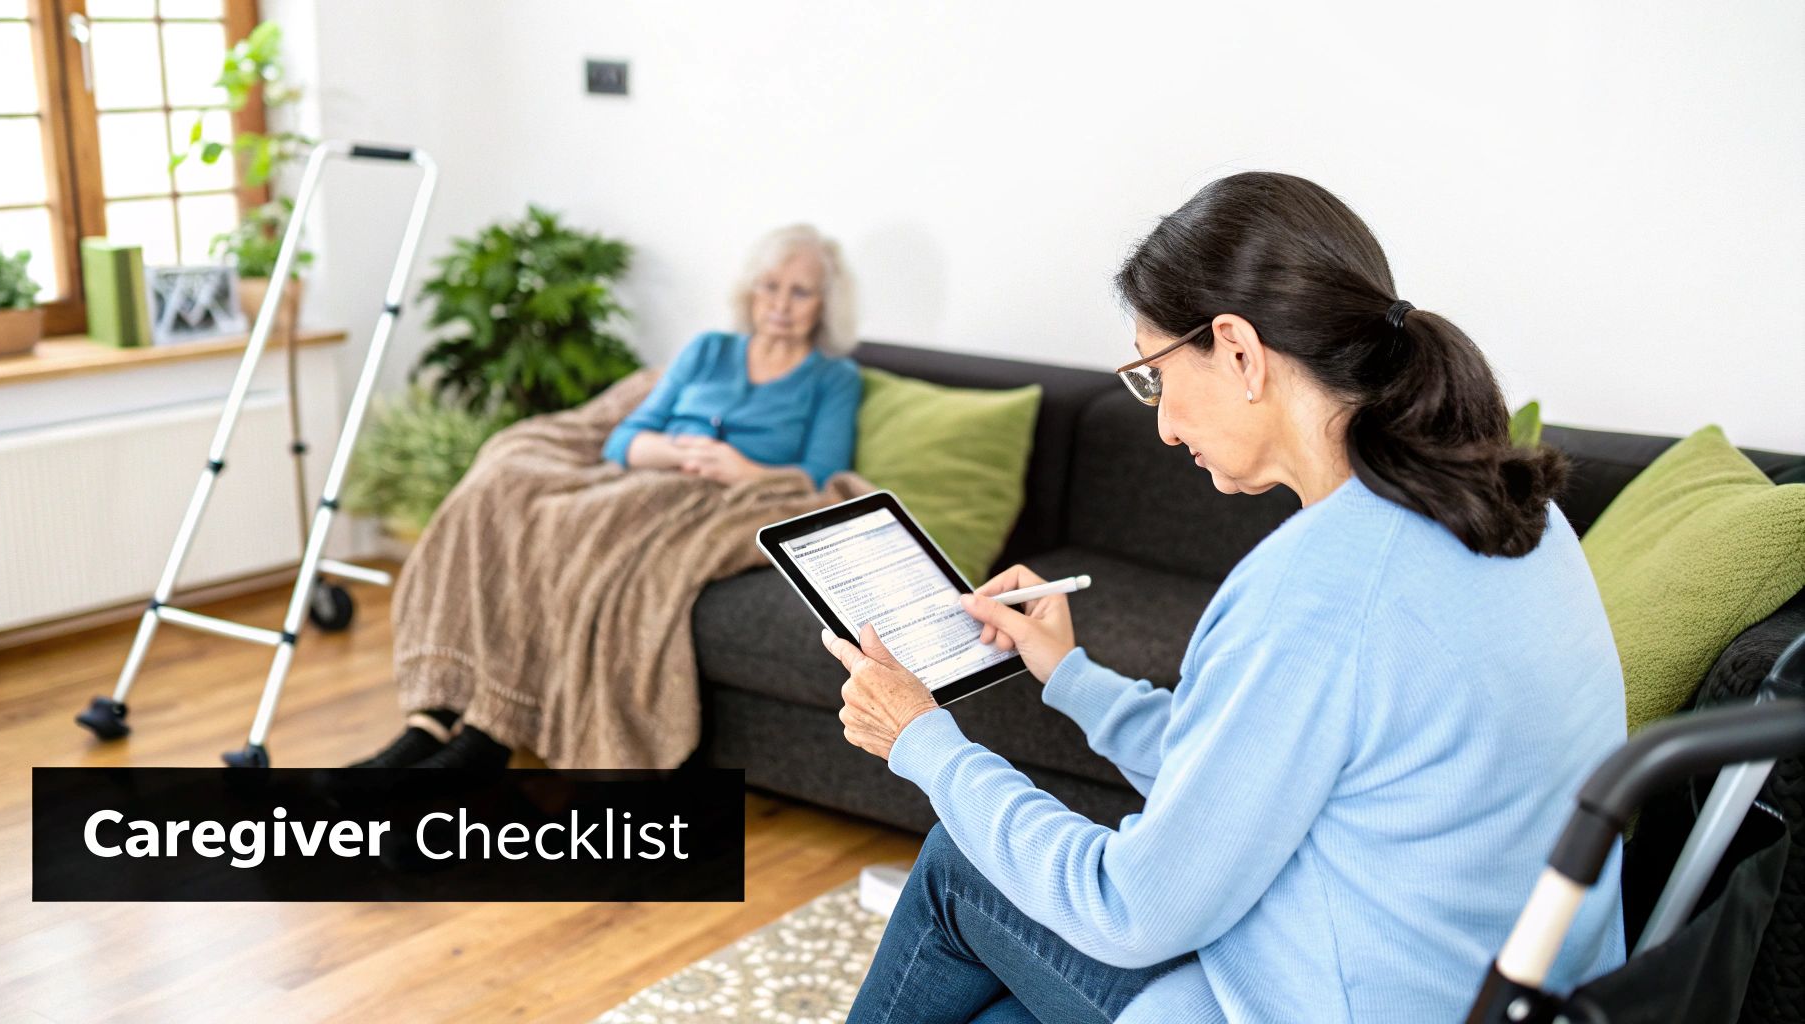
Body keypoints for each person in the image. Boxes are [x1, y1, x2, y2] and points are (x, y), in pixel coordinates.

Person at [819, 172, 1627, 1022]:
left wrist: (924, 741)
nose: (1163, 426)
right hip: (1504, 995)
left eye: (1155, 377)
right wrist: (1071, 674)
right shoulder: (1518, 515)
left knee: (962, 865)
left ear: (1240, 351)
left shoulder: (1314, 589)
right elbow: (1250, 765)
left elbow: (1127, 910)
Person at [351, 223, 863, 770]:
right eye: (770, 286)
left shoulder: (834, 379)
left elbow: (820, 478)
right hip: (652, 473)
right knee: (514, 503)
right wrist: (667, 451)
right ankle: (432, 717)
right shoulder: (709, 350)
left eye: (800, 291)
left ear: (824, 305)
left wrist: (744, 468)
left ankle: (490, 732)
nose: (781, 304)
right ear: (750, 291)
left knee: (578, 535)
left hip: (722, 498)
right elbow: (623, 439)